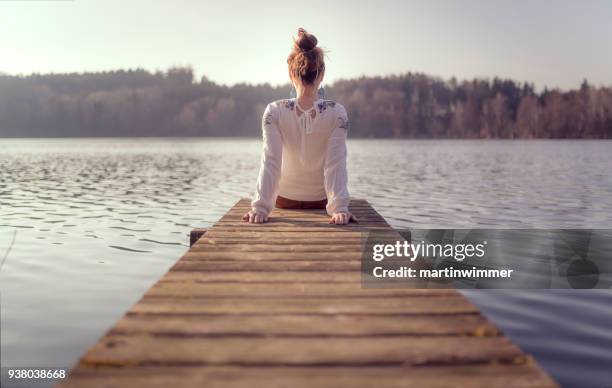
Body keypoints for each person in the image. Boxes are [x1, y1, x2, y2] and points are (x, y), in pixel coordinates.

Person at [243, 28, 356, 225]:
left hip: (283, 202)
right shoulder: (337, 113)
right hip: (321, 202)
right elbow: (335, 165)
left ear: (290, 72)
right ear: (322, 74)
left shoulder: (274, 111)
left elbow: (271, 163)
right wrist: (339, 209)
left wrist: (260, 208)